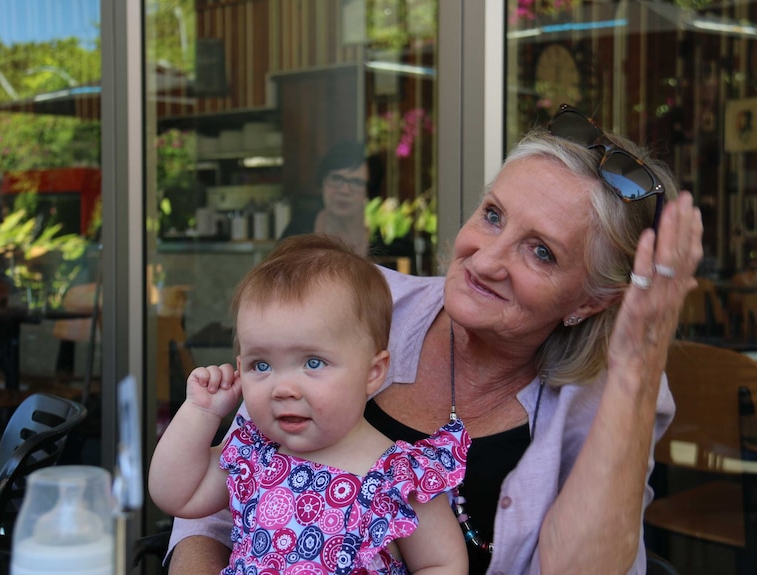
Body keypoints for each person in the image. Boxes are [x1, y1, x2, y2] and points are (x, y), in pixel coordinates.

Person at [166, 104, 703, 574]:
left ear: (589, 301)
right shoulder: (350, 301)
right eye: (493, 216)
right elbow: (203, 517)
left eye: (541, 252)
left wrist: (635, 369)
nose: (486, 260)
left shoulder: (611, 396)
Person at [149, 234, 471, 574]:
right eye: (262, 365)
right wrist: (200, 413)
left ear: (373, 372)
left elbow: (440, 563)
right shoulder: (255, 455)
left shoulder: (398, 479)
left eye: (313, 363)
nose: (283, 388)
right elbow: (175, 495)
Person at [280, 140, 374, 257]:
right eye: (336, 179)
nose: (344, 190)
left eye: (356, 182)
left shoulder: (387, 236)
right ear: (322, 182)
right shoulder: (298, 229)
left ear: (368, 191)